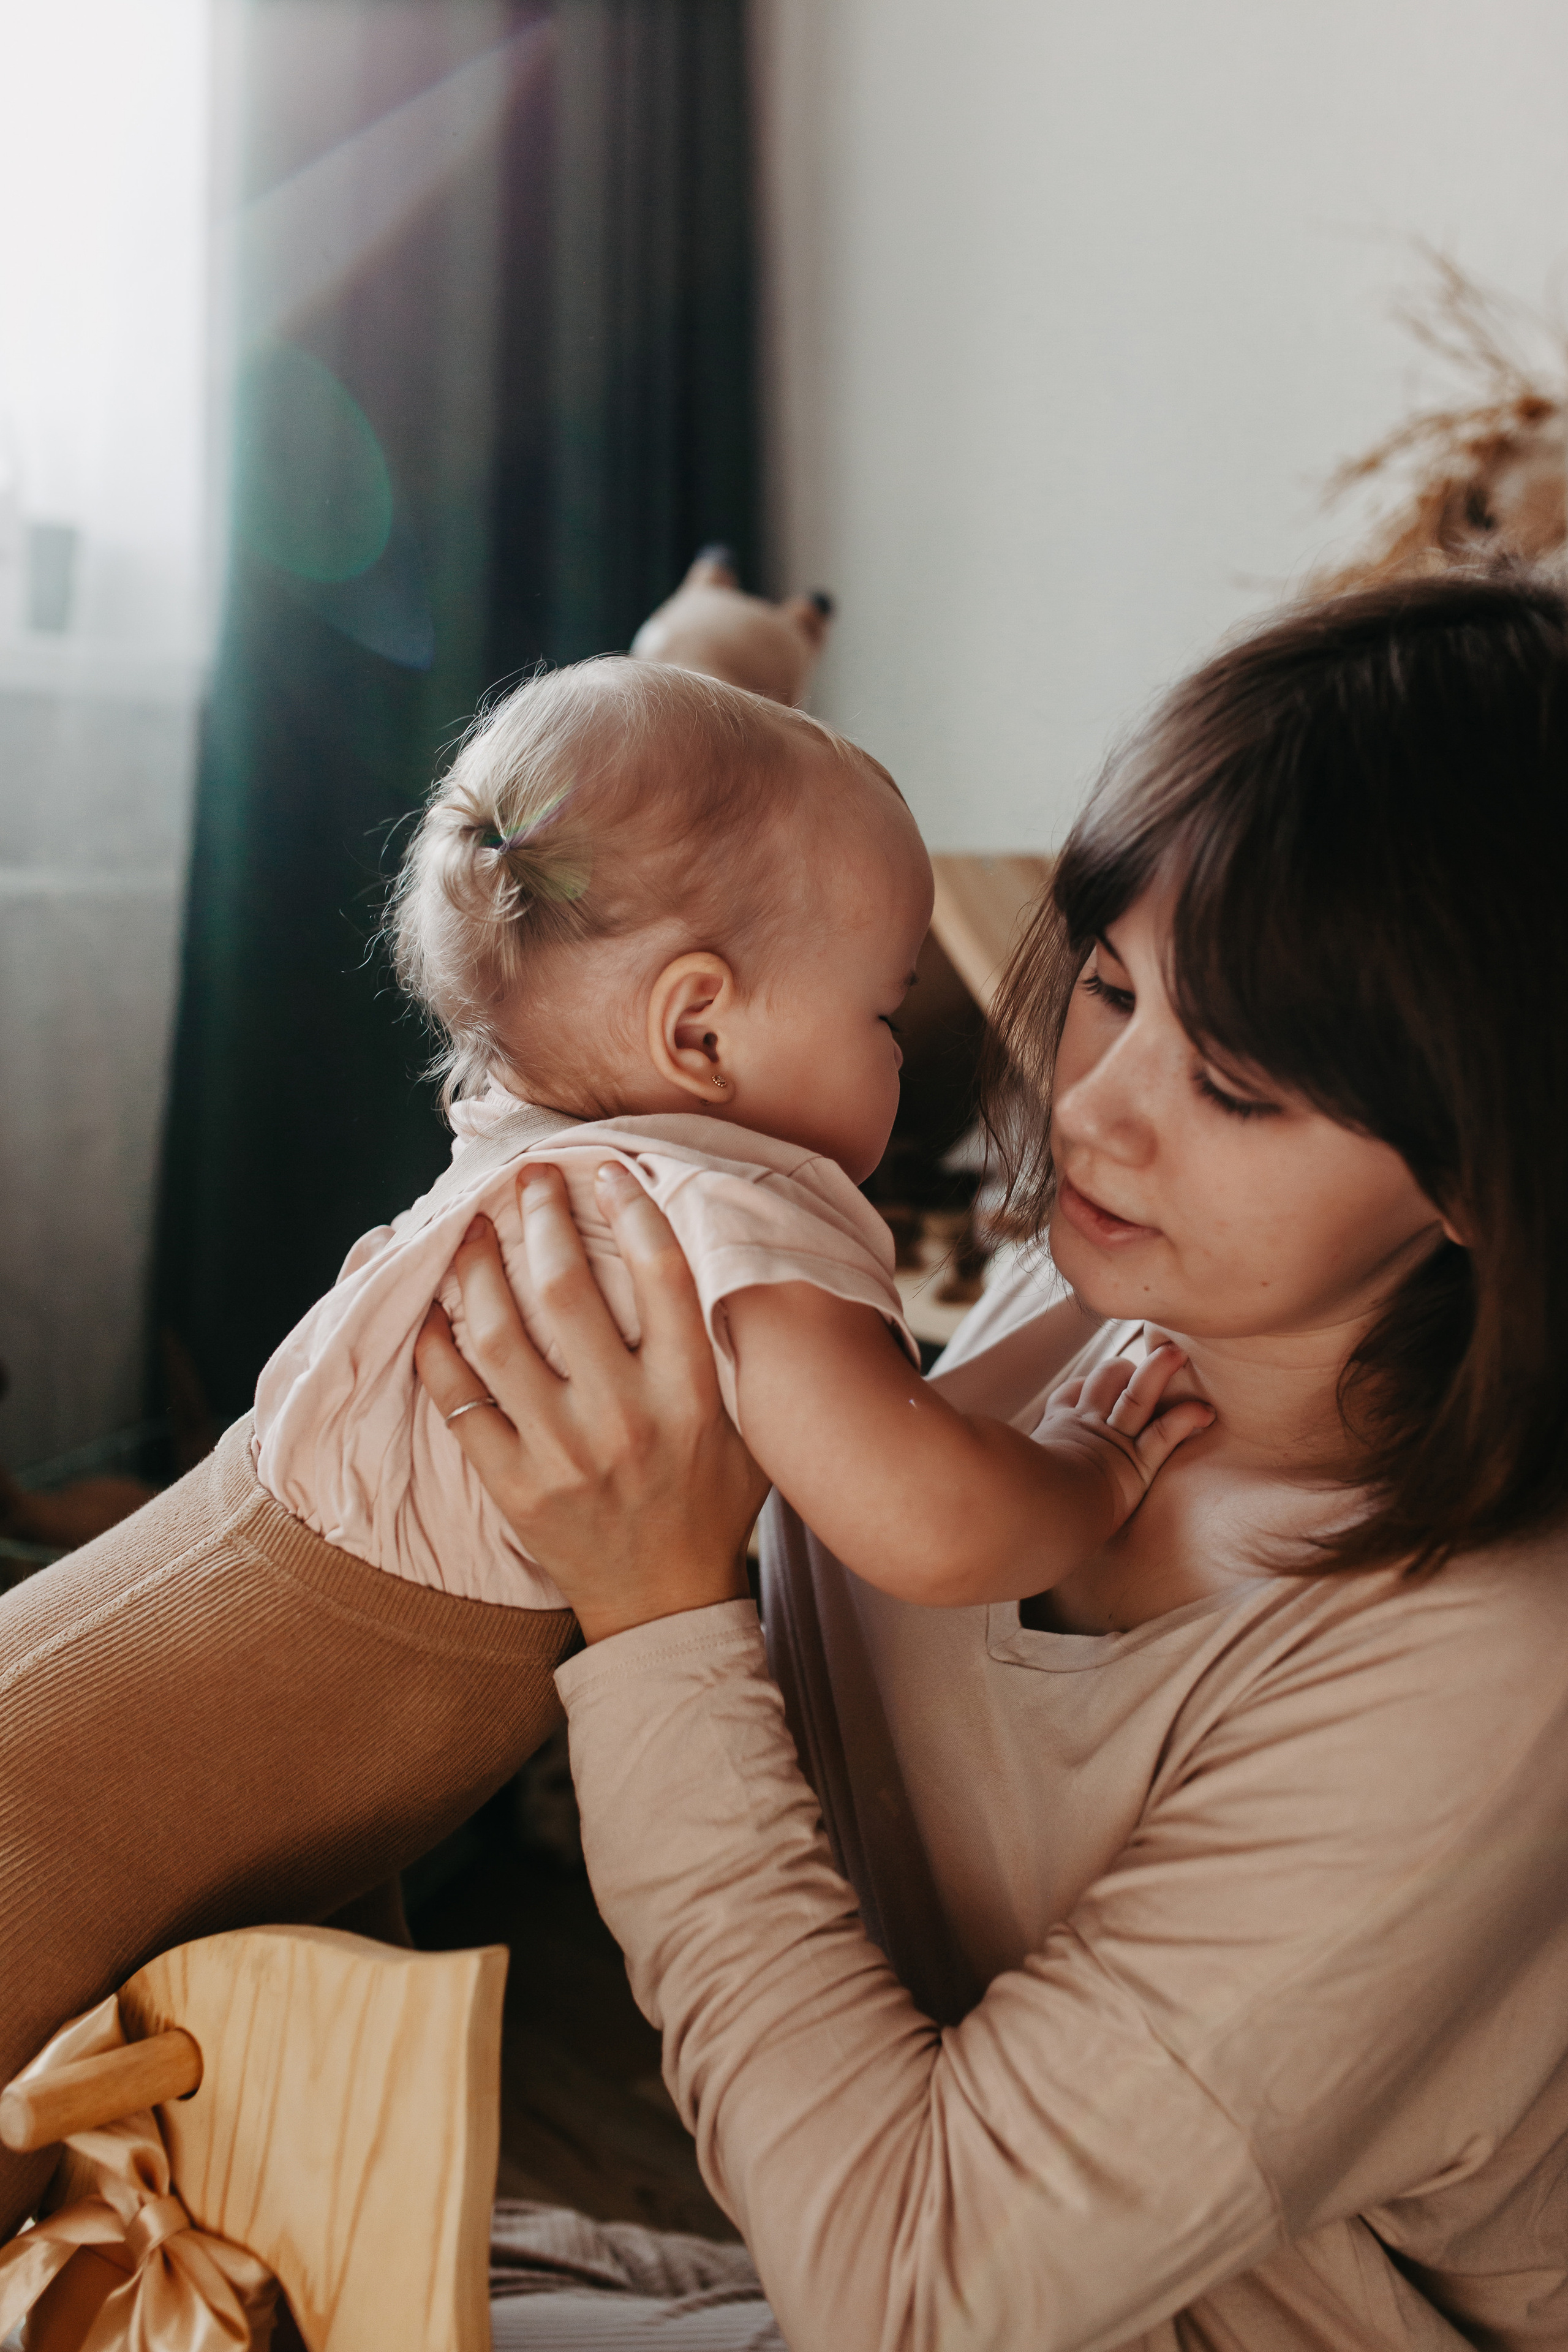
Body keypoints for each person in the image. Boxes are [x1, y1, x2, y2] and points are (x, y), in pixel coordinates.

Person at [418, 569, 1568, 2350]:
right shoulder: (1091, 1285)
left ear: (1491, 1170)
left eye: (1236, 1088)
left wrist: (654, 1619)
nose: (1092, 1110)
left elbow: (911, 2290)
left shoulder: (1482, 1673)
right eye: (1108, 986)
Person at [0, 572, 1198, 2248]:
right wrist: (1095, 1456)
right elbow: (931, 1525)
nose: (902, 1055)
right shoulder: (726, 1206)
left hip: (144, 1667)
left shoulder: (533, 1137)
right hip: (97, 1792)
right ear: (699, 1026)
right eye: (883, 1011)